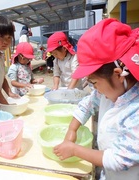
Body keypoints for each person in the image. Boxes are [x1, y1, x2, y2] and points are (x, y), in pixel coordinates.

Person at [53, 18, 139, 179]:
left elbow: (118, 159)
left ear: (118, 74)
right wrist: (72, 129)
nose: (94, 89)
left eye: (94, 82)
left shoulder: (135, 112)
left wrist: (74, 150)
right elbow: (87, 104)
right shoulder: (110, 91)